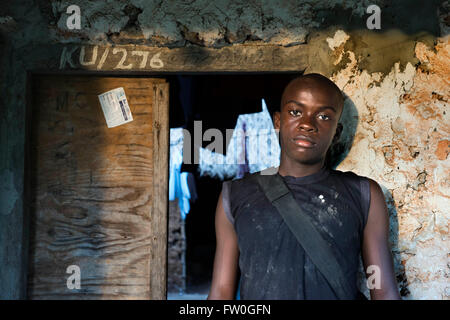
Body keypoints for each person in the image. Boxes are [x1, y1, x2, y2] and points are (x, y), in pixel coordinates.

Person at [207, 73, 401, 300]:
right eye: (296, 112)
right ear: (278, 121)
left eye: (323, 116)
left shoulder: (364, 195)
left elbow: (382, 288)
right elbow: (221, 291)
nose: (307, 124)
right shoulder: (235, 196)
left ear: (336, 133)